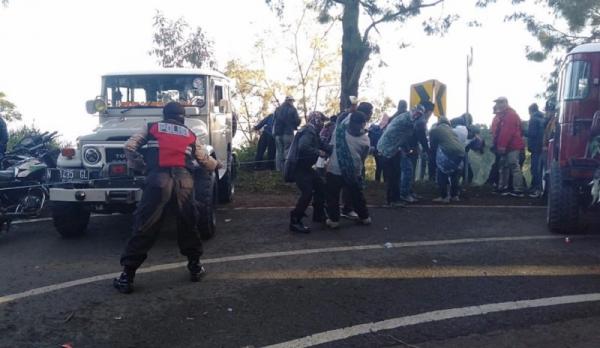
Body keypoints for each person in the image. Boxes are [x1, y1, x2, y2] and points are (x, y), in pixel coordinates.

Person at [113, 102, 219, 294]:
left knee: (145, 225)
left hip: (157, 180)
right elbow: (204, 160)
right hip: (184, 181)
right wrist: (217, 165)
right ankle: (195, 267)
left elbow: (129, 147)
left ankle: (127, 276)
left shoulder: (151, 127)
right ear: (182, 116)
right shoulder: (189, 134)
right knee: (188, 223)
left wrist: (141, 166)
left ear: (164, 114)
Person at [377, 101, 435, 206]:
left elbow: (402, 134)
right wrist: (428, 150)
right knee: (394, 175)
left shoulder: (410, 115)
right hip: (389, 148)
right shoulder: (417, 118)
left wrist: (407, 148)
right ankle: (393, 200)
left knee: (396, 174)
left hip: (391, 146)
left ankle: (395, 199)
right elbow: (420, 135)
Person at [325, 111, 371, 228]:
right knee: (356, 195)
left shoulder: (339, 132)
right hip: (352, 172)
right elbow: (363, 157)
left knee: (333, 196)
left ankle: (334, 220)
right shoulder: (365, 140)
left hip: (336, 170)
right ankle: (364, 217)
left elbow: (342, 118)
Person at [289, 112, 328, 233]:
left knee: (320, 186)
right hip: (299, 168)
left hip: (306, 168)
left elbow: (323, 145)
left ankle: (319, 214)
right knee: (307, 193)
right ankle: (295, 220)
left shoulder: (313, 132)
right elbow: (303, 147)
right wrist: (318, 152)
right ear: (316, 121)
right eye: (321, 121)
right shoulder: (308, 131)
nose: (323, 124)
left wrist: (335, 149)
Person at [491, 97, 526, 197]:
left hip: (512, 146)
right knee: (504, 166)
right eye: (497, 103)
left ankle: (518, 189)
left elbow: (507, 132)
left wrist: (501, 146)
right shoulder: (505, 115)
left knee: (513, 166)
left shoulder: (510, 115)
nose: (498, 105)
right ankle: (503, 187)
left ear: (506, 103)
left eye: (501, 102)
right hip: (507, 145)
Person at [429, 117, 466, 203]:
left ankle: (444, 196)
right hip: (461, 154)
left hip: (447, 153)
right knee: (455, 174)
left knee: (442, 173)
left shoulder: (435, 130)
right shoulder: (452, 131)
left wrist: (432, 156)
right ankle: (454, 195)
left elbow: (432, 146)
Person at [273, 96, 301, 171]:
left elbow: (274, 121)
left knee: (278, 152)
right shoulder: (293, 109)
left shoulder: (277, 109)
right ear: (290, 101)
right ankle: (286, 169)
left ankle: (278, 169)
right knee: (287, 151)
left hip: (278, 134)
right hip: (288, 133)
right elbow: (298, 121)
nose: (293, 103)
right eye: (292, 101)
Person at [527, 103, 546, 198]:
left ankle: (536, 189)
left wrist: (523, 131)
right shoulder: (543, 118)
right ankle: (540, 188)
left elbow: (532, 133)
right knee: (540, 169)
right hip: (542, 148)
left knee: (535, 169)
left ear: (530, 111)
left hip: (535, 148)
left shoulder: (533, 119)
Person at [368, 113, 389, 182]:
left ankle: (378, 182)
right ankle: (383, 183)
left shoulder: (374, 129)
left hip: (377, 151)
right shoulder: (380, 129)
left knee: (379, 168)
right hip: (380, 151)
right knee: (382, 168)